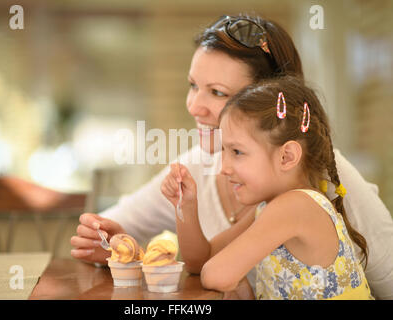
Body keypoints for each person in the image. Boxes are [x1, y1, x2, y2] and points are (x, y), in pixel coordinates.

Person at [70, 14, 393, 299]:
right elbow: (184, 255)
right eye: (193, 85)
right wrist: (104, 239)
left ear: (268, 105)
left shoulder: (325, 177)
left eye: (218, 92)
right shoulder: (204, 169)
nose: (194, 106)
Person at [164, 75, 373, 299]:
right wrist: (185, 206)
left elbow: (215, 275)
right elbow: (198, 263)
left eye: (237, 152)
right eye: (224, 151)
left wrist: (238, 281)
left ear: (287, 156)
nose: (224, 168)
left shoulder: (295, 207)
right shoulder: (269, 208)